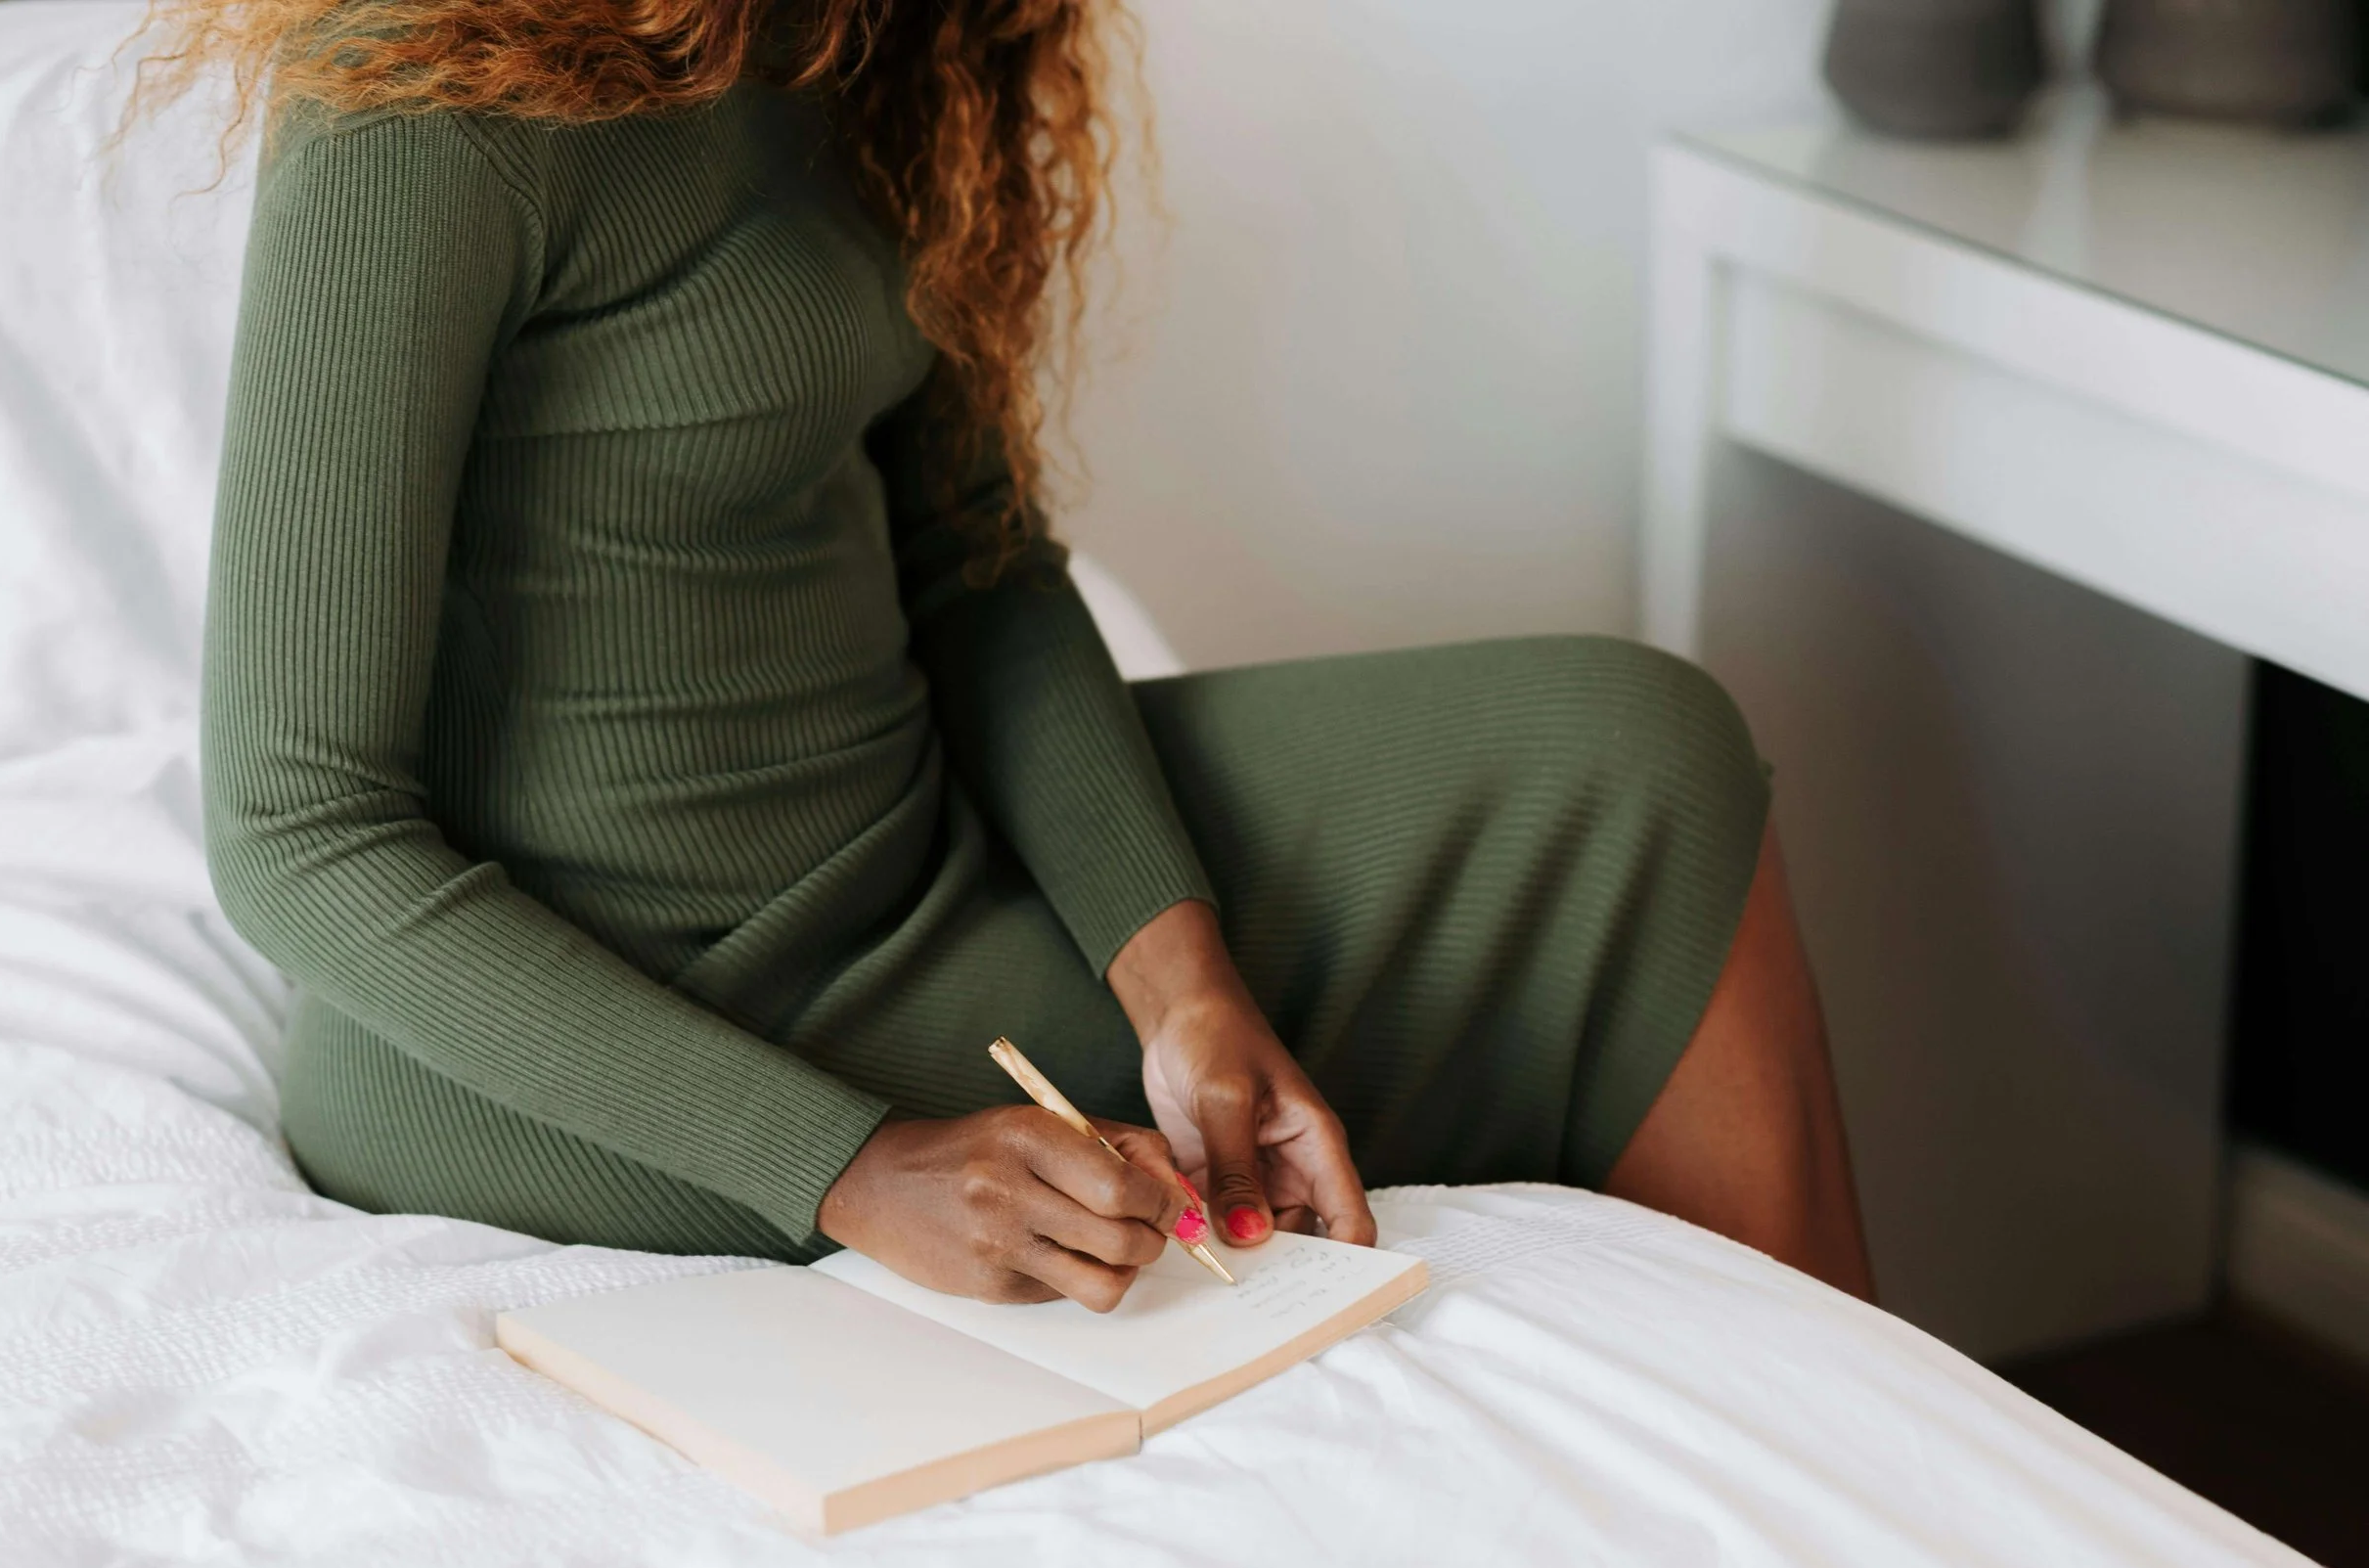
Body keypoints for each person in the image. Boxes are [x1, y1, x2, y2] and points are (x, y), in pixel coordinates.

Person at [160, 0, 1873, 1315]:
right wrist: (857, 1170)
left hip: (906, 868)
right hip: (589, 1024)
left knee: (1640, 761)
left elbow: (972, 563)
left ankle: (1868, 1502)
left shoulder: (888, 48)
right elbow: (298, 829)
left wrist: (1178, 982)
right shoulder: (422, 93)